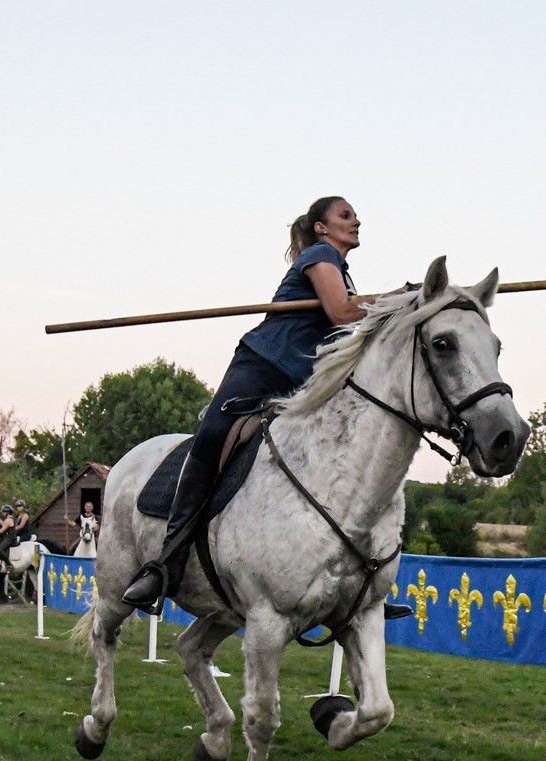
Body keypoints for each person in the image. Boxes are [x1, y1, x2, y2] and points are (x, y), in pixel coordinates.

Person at [122, 196, 396, 612]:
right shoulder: (320, 256)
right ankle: (163, 566)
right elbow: (342, 314)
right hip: (263, 367)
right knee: (213, 438)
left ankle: (353, 585)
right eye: (346, 215)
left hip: (304, 382)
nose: (357, 220)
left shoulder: (344, 274)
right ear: (321, 228)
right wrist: (399, 299)